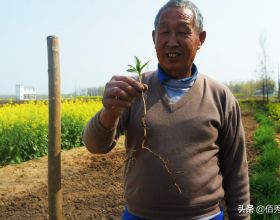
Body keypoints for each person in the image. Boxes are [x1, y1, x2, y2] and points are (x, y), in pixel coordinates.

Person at [82, 0, 250, 219]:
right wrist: (109, 111)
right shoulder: (133, 90)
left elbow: (237, 171)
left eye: (182, 32)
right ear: (154, 38)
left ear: (200, 39)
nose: (172, 42)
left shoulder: (220, 96)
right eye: (164, 32)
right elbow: (94, 145)